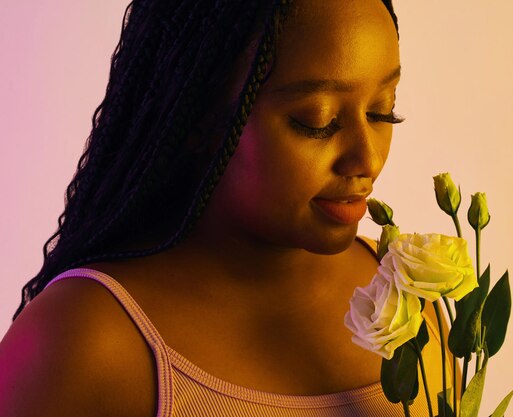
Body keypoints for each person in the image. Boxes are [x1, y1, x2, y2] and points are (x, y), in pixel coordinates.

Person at [0, 0, 455, 416]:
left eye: (382, 111)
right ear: (197, 117)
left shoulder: (410, 300)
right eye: (317, 120)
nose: (367, 159)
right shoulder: (84, 343)